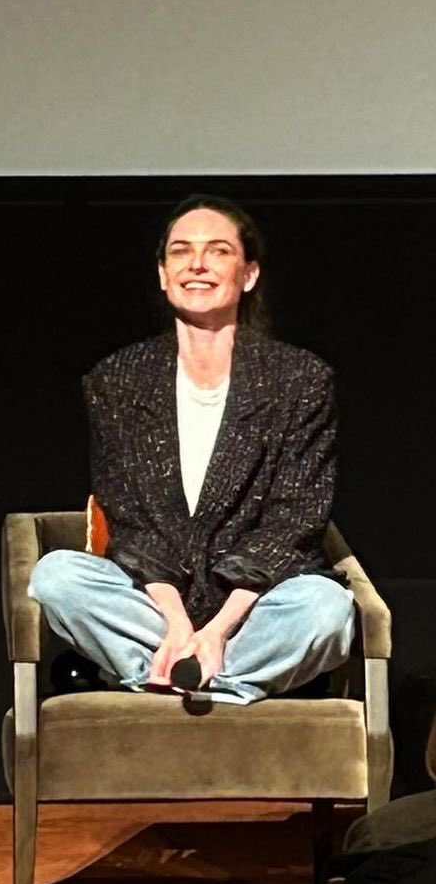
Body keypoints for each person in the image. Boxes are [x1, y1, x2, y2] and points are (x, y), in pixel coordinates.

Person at [29, 195, 354, 704]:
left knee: (326, 608)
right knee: (57, 577)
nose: (197, 264)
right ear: (163, 274)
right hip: (155, 607)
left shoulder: (300, 380)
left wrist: (218, 631)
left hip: (256, 606)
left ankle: (186, 679)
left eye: (218, 250)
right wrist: (180, 626)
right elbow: (132, 521)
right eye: (181, 252)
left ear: (247, 274)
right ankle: (198, 674)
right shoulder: (117, 380)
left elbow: (293, 522)